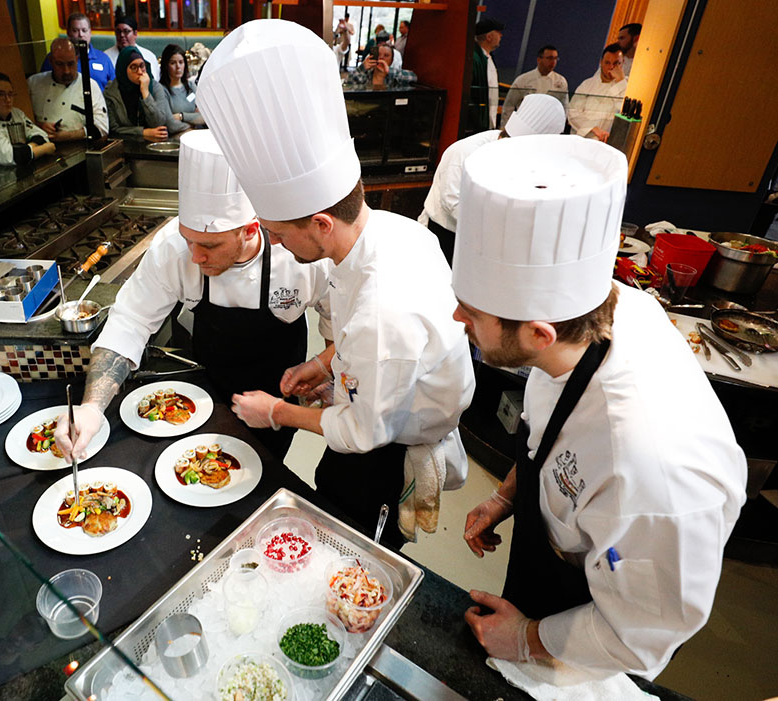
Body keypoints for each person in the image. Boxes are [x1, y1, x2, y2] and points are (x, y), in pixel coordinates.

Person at [452, 134, 746, 680]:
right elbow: (551, 435)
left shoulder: (650, 470)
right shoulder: (595, 318)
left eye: (471, 312)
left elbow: (639, 632)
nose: (455, 319)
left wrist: (525, 638)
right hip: (549, 572)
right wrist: (506, 496)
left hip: (594, 636)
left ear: (539, 334)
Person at [198, 20, 475, 548]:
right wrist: (323, 365)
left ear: (321, 223)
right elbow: (362, 345)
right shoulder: (392, 231)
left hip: (386, 455)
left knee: (354, 552)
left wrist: (275, 412)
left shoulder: (381, 311)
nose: (275, 245)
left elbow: (365, 432)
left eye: (280, 234)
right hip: (375, 405)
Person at [53, 129, 332, 462]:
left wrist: (328, 371)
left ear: (250, 230)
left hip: (277, 397)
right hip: (204, 394)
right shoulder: (173, 249)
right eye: (189, 240)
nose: (195, 256)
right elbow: (130, 320)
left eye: (210, 246)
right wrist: (91, 409)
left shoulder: (299, 256)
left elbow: (338, 321)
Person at [420, 93, 566, 263]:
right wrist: (499, 226)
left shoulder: (526, 161)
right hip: (445, 234)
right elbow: (452, 204)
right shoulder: (464, 153)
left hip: (484, 241)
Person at [28, 38, 108, 141]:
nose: (66, 71)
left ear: (77, 59)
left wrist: (70, 135)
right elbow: (20, 120)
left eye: (70, 64)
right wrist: (39, 126)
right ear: (51, 61)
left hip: (79, 147)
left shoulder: (90, 86)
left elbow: (102, 128)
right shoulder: (33, 84)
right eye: (60, 64)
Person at [104, 47, 186, 142]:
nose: (140, 72)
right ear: (123, 69)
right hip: (124, 145)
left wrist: (145, 92)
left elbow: (159, 123)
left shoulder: (155, 87)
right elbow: (113, 129)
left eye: (142, 66)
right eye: (133, 67)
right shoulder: (111, 92)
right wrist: (143, 132)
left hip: (154, 145)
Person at [40, 13, 115, 91]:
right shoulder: (56, 58)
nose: (80, 34)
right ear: (68, 33)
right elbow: (44, 86)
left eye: (84, 30)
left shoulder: (103, 58)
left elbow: (113, 87)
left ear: (90, 32)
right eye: (75, 30)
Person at [568, 44, 627, 142]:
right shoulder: (587, 84)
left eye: (616, 63)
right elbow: (573, 113)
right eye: (607, 63)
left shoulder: (627, 87)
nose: (611, 67)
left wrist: (620, 81)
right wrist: (593, 128)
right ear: (601, 62)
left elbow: (624, 111)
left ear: (623, 63)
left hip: (606, 143)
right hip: (580, 140)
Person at [500, 45, 568, 129]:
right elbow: (509, 105)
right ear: (539, 59)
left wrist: (560, 127)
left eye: (555, 58)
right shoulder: (523, 80)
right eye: (549, 58)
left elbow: (564, 107)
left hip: (548, 125)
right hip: (525, 123)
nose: (553, 62)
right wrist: (505, 127)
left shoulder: (561, 81)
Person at [470, 17, 504, 132]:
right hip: (474, 124)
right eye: (498, 33)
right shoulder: (474, 58)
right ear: (489, 37)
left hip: (486, 123)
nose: (501, 36)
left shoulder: (488, 57)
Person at [159, 44, 204, 128]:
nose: (178, 67)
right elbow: (169, 124)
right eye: (173, 63)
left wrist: (181, 116)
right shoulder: (161, 90)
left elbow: (205, 117)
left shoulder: (191, 86)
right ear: (166, 66)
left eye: (181, 62)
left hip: (196, 133)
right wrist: (193, 120)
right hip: (176, 137)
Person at [104, 15, 160, 82]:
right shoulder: (106, 57)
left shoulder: (149, 56)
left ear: (135, 33)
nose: (121, 35)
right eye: (118, 31)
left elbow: (156, 81)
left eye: (126, 31)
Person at [345, 44, 416, 89]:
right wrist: (362, 68)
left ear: (392, 60)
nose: (381, 58)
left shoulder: (394, 75)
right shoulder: (366, 74)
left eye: (386, 55)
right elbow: (348, 83)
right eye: (378, 54)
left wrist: (389, 71)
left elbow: (413, 77)